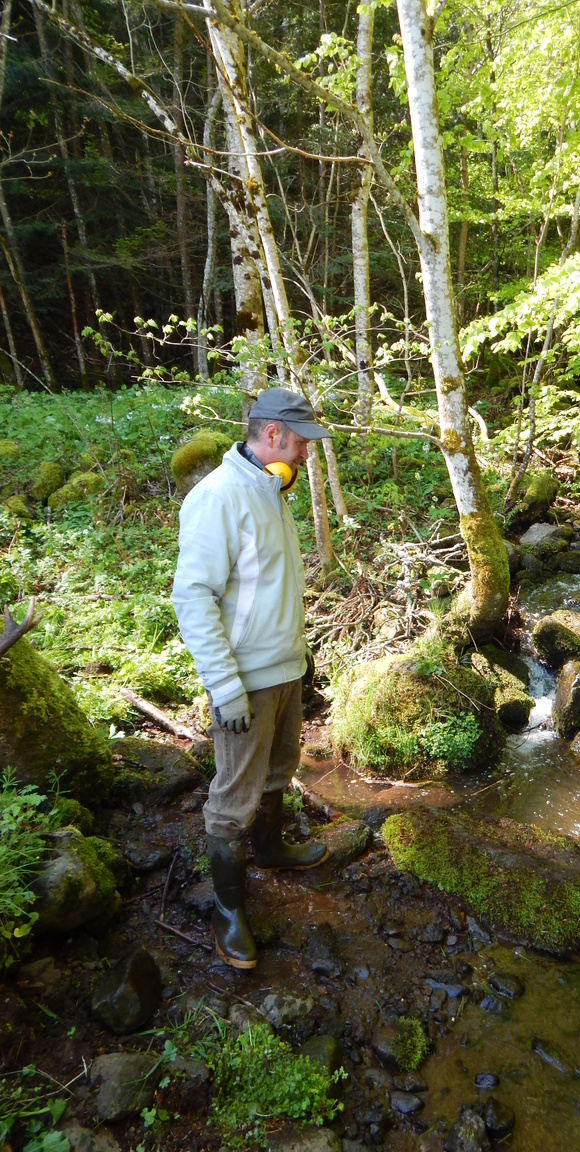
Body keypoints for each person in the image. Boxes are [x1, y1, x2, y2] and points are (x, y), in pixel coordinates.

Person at [171, 388, 330, 969]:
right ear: (271, 435)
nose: (307, 454)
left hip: (285, 668)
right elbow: (192, 597)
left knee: (279, 770)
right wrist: (224, 685)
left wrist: (299, 659)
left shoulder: (272, 490)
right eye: (301, 442)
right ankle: (229, 910)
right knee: (234, 798)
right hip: (244, 679)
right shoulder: (218, 497)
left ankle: (270, 848)